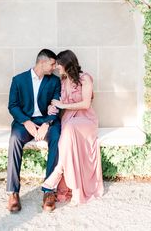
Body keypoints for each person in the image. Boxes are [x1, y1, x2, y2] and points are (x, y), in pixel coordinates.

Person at [42, 49, 104, 206]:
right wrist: (52, 107)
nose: (56, 67)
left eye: (58, 64)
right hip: (70, 121)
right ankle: (75, 191)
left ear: (66, 64)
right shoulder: (62, 82)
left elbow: (85, 104)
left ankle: (58, 171)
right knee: (68, 131)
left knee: (68, 128)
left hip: (86, 121)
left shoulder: (85, 78)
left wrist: (62, 104)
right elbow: (58, 103)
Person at [6, 49, 61, 212]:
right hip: (24, 122)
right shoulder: (18, 80)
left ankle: (49, 190)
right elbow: (13, 106)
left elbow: (57, 103)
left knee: (57, 137)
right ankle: (13, 192)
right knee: (14, 139)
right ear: (42, 62)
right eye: (52, 64)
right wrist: (26, 121)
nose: (55, 67)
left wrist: (48, 123)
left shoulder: (54, 81)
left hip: (46, 121)